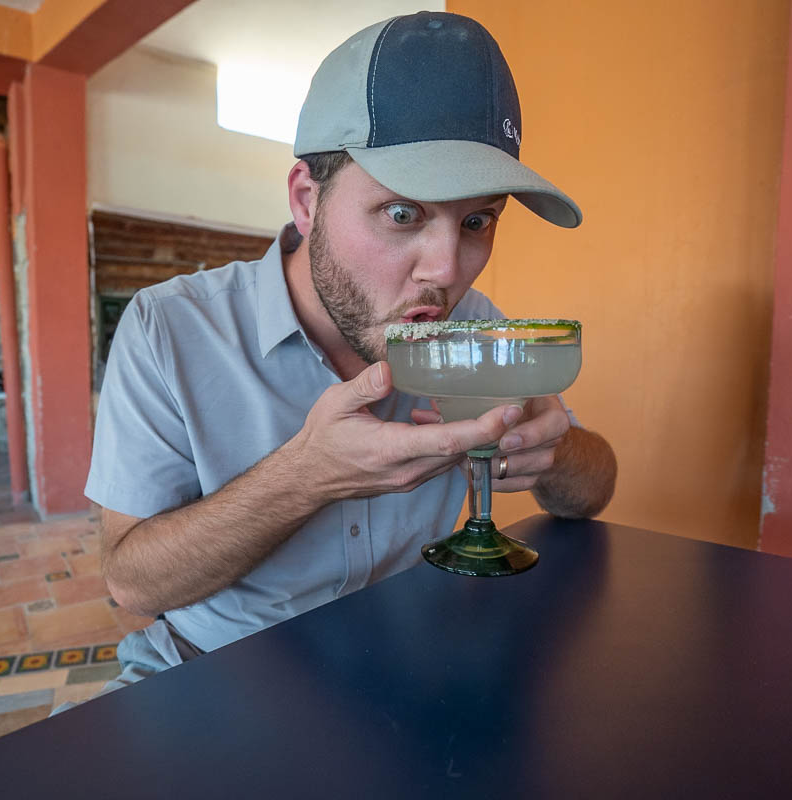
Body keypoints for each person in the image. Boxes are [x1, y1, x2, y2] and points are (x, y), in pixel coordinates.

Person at [84, 12, 617, 693]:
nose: (447, 271)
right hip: (210, 675)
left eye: (478, 221)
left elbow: (594, 489)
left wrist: (555, 451)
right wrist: (306, 476)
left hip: (406, 673)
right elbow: (131, 580)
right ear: (308, 201)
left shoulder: (475, 326)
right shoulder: (170, 328)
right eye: (403, 214)